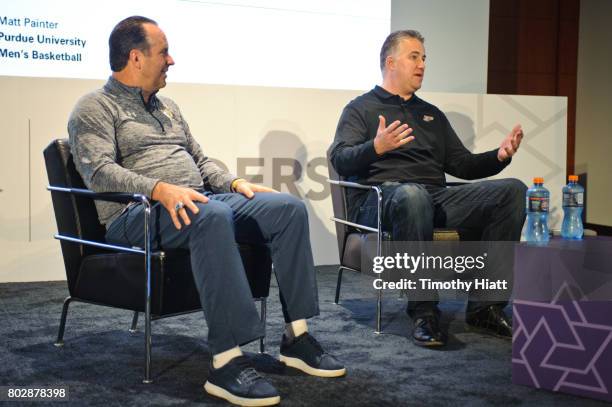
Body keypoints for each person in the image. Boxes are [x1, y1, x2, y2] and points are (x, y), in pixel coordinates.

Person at [68, 16, 345, 406]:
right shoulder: (94, 107)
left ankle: (295, 337)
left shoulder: (168, 108)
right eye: (164, 52)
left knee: (287, 208)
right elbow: (99, 173)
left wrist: (232, 183)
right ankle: (226, 361)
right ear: (136, 57)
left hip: (195, 198)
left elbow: (199, 159)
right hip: (136, 214)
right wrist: (160, 189)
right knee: (212, 216)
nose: (171, 60)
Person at [328, 30, 526, 348]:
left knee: (512, 191)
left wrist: (499, 157)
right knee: (411, 193)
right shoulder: (360, 109)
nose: (422, 64)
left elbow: (462, 165)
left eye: (424, 58)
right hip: (381, 198)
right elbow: (341, 158)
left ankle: (486, 307)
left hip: (433, 195)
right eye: (414, 56)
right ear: (390, 62)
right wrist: (375, 147)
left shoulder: (431, 115)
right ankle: (423, 310)